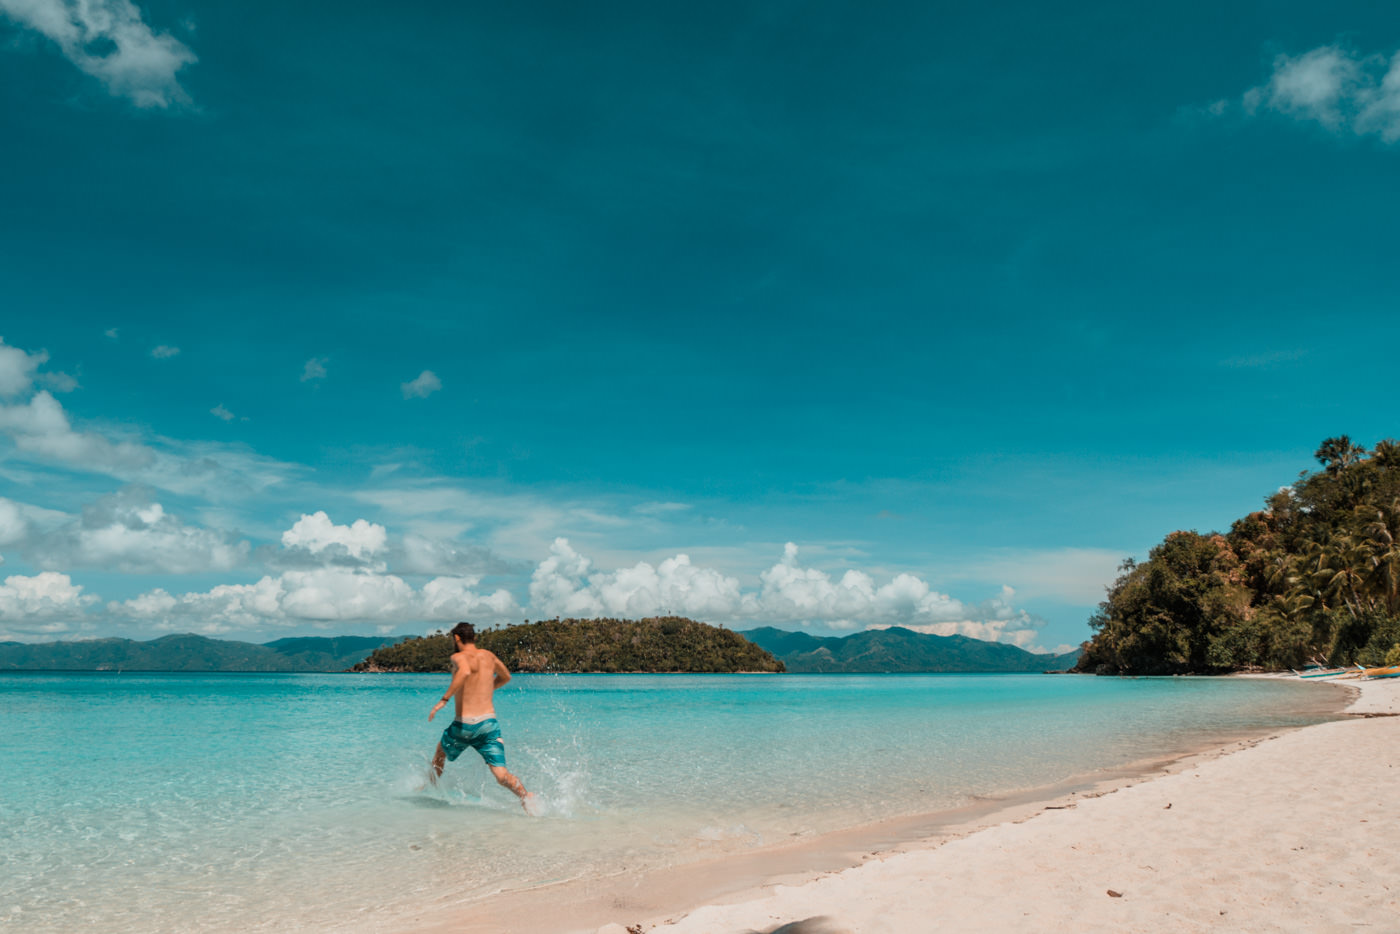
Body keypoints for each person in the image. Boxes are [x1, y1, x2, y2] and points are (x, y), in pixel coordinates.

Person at [428, 621, 537, 813]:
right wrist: (486, 689)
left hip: (464, 726)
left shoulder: (458, 657)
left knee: (439, 756)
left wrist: (444, 700)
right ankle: (525, 796)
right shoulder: (489, 656)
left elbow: (465, 671)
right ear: (474, 637)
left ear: (457, 638)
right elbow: (506, 677)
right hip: (488, 724)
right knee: (501, 775)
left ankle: (429, 790)